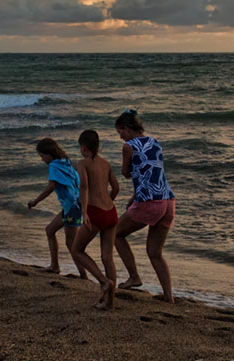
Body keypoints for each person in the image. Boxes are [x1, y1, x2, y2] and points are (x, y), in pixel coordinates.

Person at [113, 108, 176, 302]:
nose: (120, 137)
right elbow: (151, 173)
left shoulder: (129, 146)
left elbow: (126, 173)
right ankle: (169, 297)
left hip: (149, 202)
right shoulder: (155, 143)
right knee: (155, 253)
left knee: (115, 233)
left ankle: (134, 276)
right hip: (167, 200)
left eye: (120, 132)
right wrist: (135, 195)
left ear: (127, 128)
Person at [69, 129, 121, 309]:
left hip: (95, 211)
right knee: (108, 257)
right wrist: (109, 202)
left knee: (77, 250)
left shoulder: (82, 163)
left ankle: (103, 281)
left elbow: (83, 187)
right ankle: (110, 302)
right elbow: (116, 187)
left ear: (83, 148)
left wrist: (85, 213)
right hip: (111, 211)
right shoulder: (106, 163)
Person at [27, 138, 87, 278]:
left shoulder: (54, 165)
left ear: (49, 154)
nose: (42, 160)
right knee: (50, 230)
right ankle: (55, 266)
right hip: (73, 205)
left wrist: (35, 201)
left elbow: (51, 186)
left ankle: (83, 274)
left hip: (71, 207)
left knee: (71, 243)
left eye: (42, 156)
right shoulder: (66, 163)